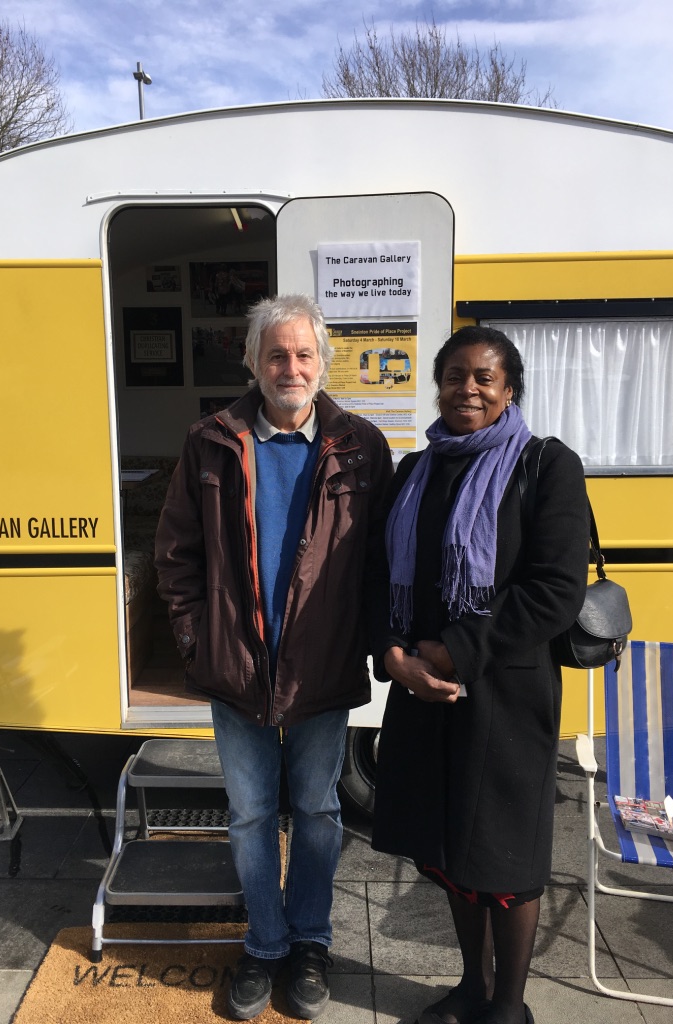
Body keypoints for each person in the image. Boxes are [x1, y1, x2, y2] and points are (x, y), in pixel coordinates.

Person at [155, 293, 393, 1020]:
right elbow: (176, 554)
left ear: (323, 363)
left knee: (318, 810)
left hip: (322, 666)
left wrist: (375, 643)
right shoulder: (210, 441)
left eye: (304, 354)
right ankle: (264, 943)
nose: (291, 367)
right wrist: (196, 640)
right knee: (252, 814)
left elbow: (382, 560)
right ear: (253, 363)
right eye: (277, 354)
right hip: (238, 667)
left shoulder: (361, 445)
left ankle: (310, 942)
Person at [371, 325, 589, 1024]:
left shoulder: (547, 465)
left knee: (504, 857)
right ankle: (471, 986)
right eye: (454, 375)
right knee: (447, 851)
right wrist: (394, 655)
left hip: (506, 696)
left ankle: (509, 1006)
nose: (467, 388)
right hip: (424, 696)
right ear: (438, 386)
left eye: (484, 377)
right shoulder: (416, 470)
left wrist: (453, 650)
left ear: (509, 389)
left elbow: (555, 592)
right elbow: (379, 575)